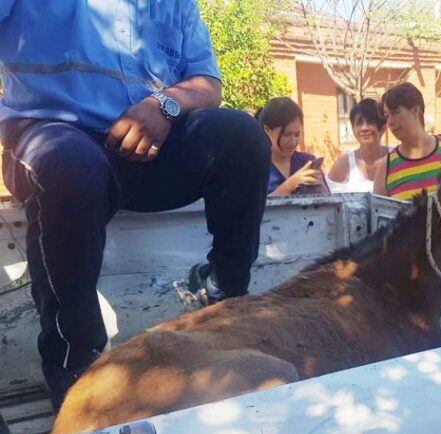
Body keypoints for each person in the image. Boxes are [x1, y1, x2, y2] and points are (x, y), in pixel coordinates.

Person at [0, 1, 271, 409]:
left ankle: (223, 295)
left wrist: (163, 106)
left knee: (243, 135)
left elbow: (207, 84)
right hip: (53, 138)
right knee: (72, 168)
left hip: (151, 143)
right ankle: (75, 361)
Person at [373, 82, 441, 200]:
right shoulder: (386, 167)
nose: (390, 122)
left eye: (395, 112)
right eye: (387, 115)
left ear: (415, 110)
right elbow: (378, 214)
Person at [257, 97, 328, 196]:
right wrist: (290, 185)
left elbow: (328, 203)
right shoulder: (256, 166)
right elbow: (253, 208)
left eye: (297, 134)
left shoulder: (307, 161)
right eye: (286, 134)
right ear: (268, 129)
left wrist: (321, 187)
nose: (293, 141)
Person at [327, 98, 388, 193]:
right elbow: (327, 195)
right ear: (353, 129)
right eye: (359, 123)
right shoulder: (345, 162)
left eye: (370, 122)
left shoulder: (394, 158)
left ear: (383, 128)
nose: (364, 128)